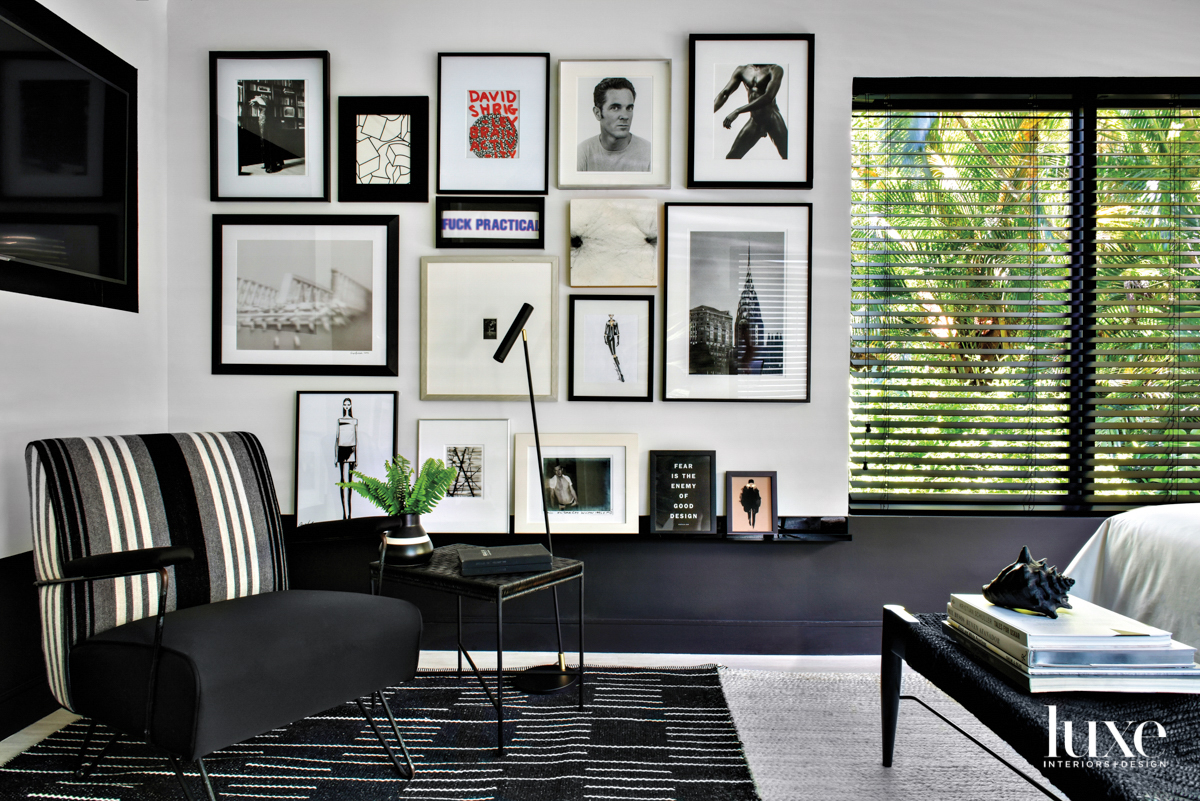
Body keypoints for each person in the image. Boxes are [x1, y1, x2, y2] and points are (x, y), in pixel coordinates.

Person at [713, 64, 788, 160]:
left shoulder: (774, 69)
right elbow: (725, 93)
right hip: (755, 121)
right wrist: (705, 113)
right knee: (731, 158)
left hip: (772, 119)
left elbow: (768, 97)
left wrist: (737, 111)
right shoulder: (742, 70)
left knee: (787, 156)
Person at [577, 77, 652, 172]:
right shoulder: (582, 153)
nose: (625, 116)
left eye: (629, 108)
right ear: (598, 113)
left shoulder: (649, 154)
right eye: (615, 108)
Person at [334, 398, 358, 519]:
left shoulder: (354, 421)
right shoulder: (340, 420)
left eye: (348, 404)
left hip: (351, 449)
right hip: (342, 449)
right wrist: (335, 456)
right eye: (345, 404)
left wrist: (356, 457)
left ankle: (350, 513)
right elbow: (337, 438)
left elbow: (356, 438)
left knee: (350, 483)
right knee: (342, 481)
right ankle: (344, 512)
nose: (347, 406)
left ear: (351, 405)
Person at [603, 313, 624, 382]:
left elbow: (617, 331)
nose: (611, 316)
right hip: (608, 337)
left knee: (614, 353)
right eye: (610, 315)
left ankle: (620, 373)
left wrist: (618, 340)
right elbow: (605, 330)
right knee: (613, 353)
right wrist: (605, 338)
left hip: (613, 338)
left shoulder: (615, 322)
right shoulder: (607, 322)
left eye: (612, 315)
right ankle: (619, 371)